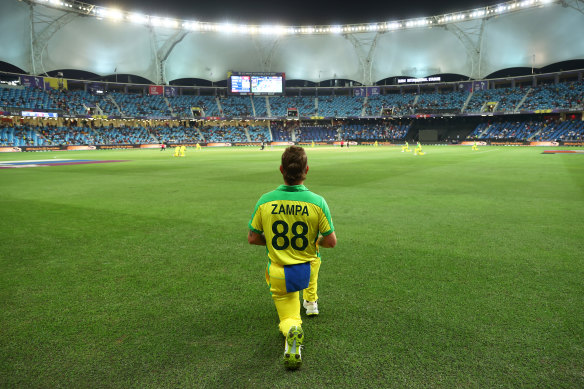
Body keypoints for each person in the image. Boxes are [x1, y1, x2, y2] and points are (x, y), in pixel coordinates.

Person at [248, 146, 337, 370]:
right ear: (306, 170)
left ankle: (292, 333)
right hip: (305, 269)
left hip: (279, 272)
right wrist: (315, 243)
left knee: (290, 319)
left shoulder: (265, 200)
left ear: (281, 169)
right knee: (307, 283)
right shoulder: (318, 202)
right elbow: (331, 241)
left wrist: (273, 243)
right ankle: (310, 303)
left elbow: (252, 238)